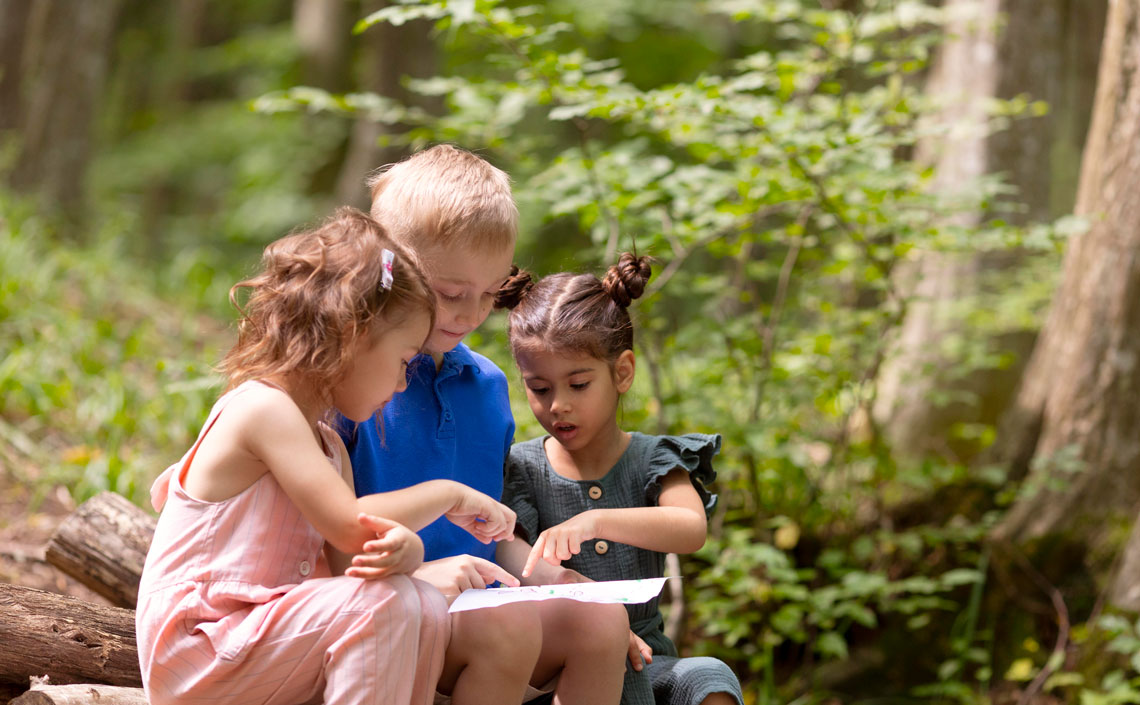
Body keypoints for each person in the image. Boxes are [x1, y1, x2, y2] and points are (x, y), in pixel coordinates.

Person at [136, 208, 517, 705]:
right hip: (200, 645)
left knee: (420, 601)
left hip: (262, 637)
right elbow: (351, 526)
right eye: (403, 362)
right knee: (387, 605)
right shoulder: (263, 408)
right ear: (351, 338)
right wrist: (447, 495)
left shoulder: (328, 445)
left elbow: (349, 560)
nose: (404, 383)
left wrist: (406, 553)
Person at [341, 144, 634, 705]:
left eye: (490, 294)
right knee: (507, 628)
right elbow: (329, 536)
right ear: (391, 269)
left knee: (600, 620)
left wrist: (553, 577)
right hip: (383, 601)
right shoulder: (355, 383)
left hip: (474, 597)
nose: (471, 316)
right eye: (452, 294)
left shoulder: (488, 387)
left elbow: (487, 532)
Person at [497, 253, 745, 705]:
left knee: (710, 679)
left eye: (578, 384)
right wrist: (576, 596)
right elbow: (507, 549)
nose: (558, 406)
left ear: (622, 372)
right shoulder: (521, 468)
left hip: (651, 659)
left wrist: (596, 521)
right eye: (540, 388)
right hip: (561, 664)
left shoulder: (654, 458)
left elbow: (690, 528)